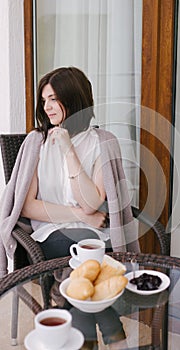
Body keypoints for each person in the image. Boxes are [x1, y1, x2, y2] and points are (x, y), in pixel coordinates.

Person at [0, 67, 139, 276]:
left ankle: (80, 303)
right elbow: (28, 207)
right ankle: (83, 302)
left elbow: (91, 203)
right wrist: (82, 217)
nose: (46, 107)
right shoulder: (37, 142)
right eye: (44, 100)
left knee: (97, 256)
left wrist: (68, 150)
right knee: (90, 255)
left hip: (97, 232)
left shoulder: (103, 141)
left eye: (53, 99)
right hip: (51, 232)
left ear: (74, 98)